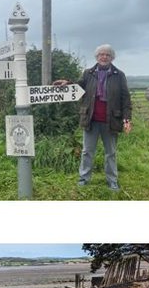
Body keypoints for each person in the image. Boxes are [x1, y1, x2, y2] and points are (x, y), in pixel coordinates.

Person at [54, 44, 132, 190]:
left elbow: (125, 98)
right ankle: (84, 178)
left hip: (111, 121)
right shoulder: (88, 73)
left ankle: (112, 180)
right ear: (96, 57)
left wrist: (127, 119)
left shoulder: (119, 75)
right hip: (91, 119)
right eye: (101, 54)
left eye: (107, 55)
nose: (104, 57)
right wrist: (68, 83)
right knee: (87, 151)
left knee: (111, 153)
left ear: (112, 58)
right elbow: (79, 87)